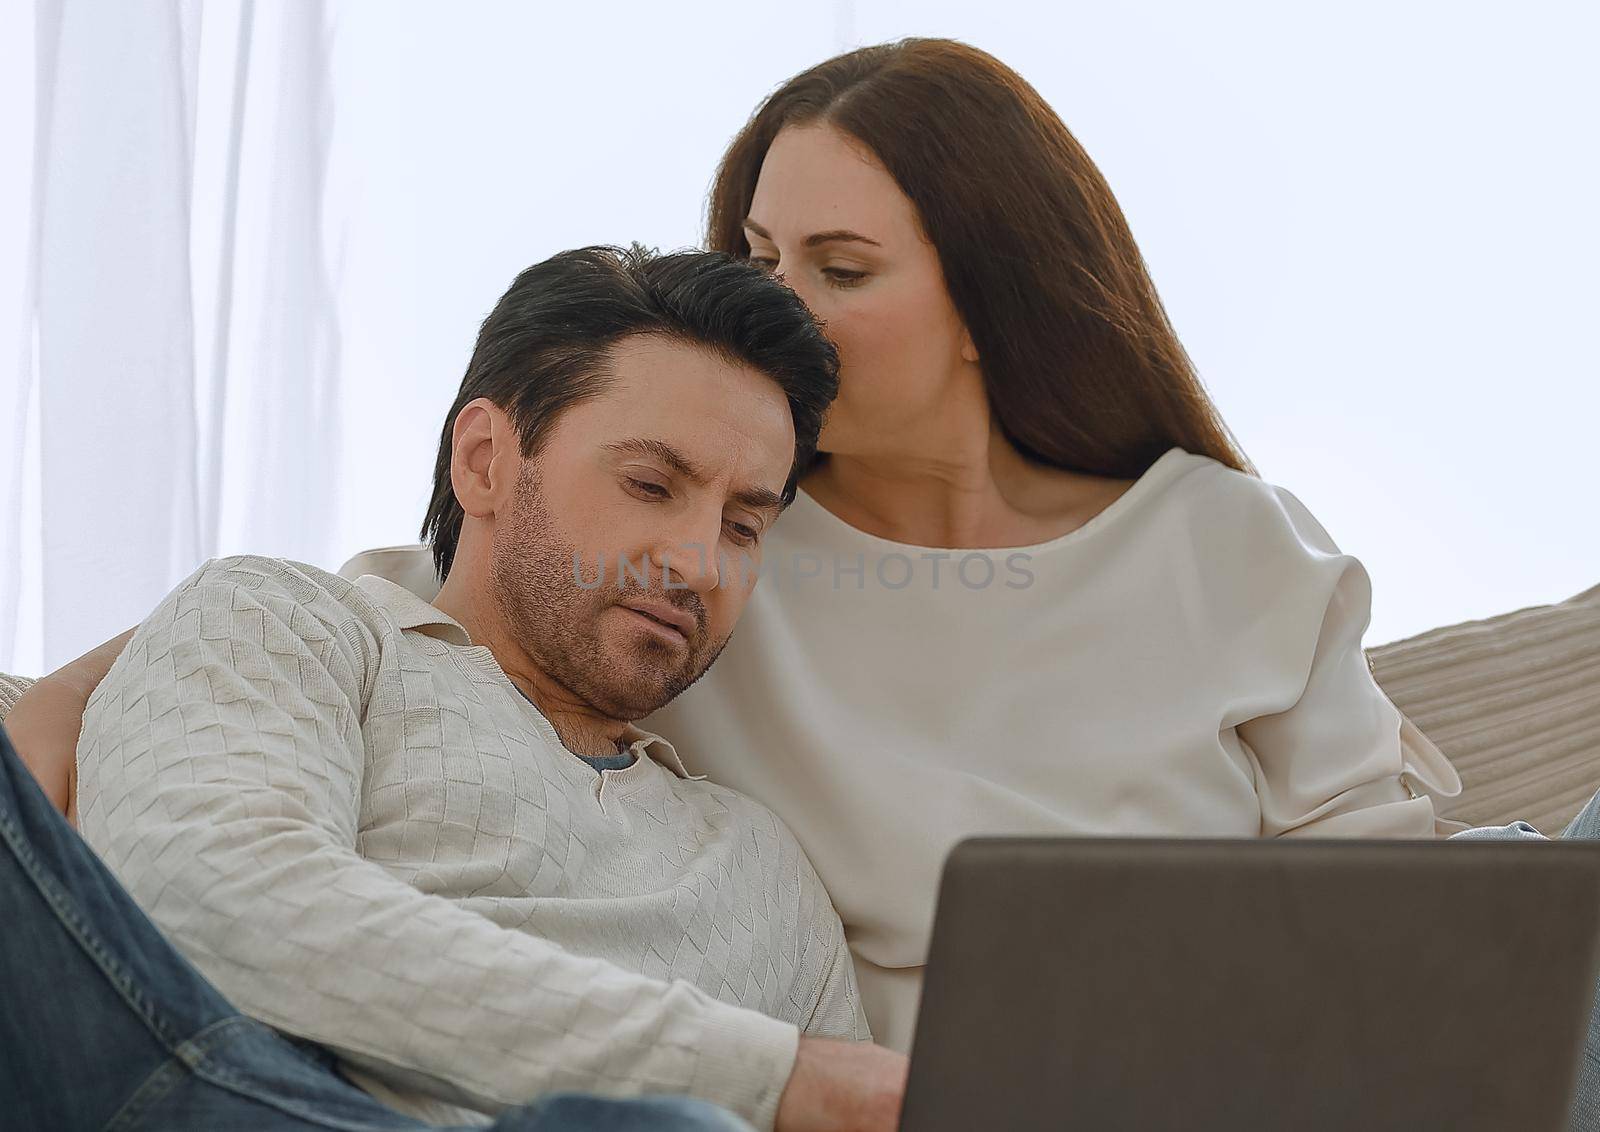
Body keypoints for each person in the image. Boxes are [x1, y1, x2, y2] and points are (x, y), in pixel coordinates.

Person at [11, 35, 1597, 1125]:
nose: (698, 552)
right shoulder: (624, 572)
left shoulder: (1224, 553)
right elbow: (431, 591)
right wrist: (72, 711)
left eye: (840, 272)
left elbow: (1413, 909)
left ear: (992, 294)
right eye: (763, 260)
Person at [1, 245, 908, 1131]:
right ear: (484, 461)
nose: (698, 561)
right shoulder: (291, 623)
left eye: (744, 526)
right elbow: (205, 903)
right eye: (649, 484)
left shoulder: (764, 872)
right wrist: (760, 1077)